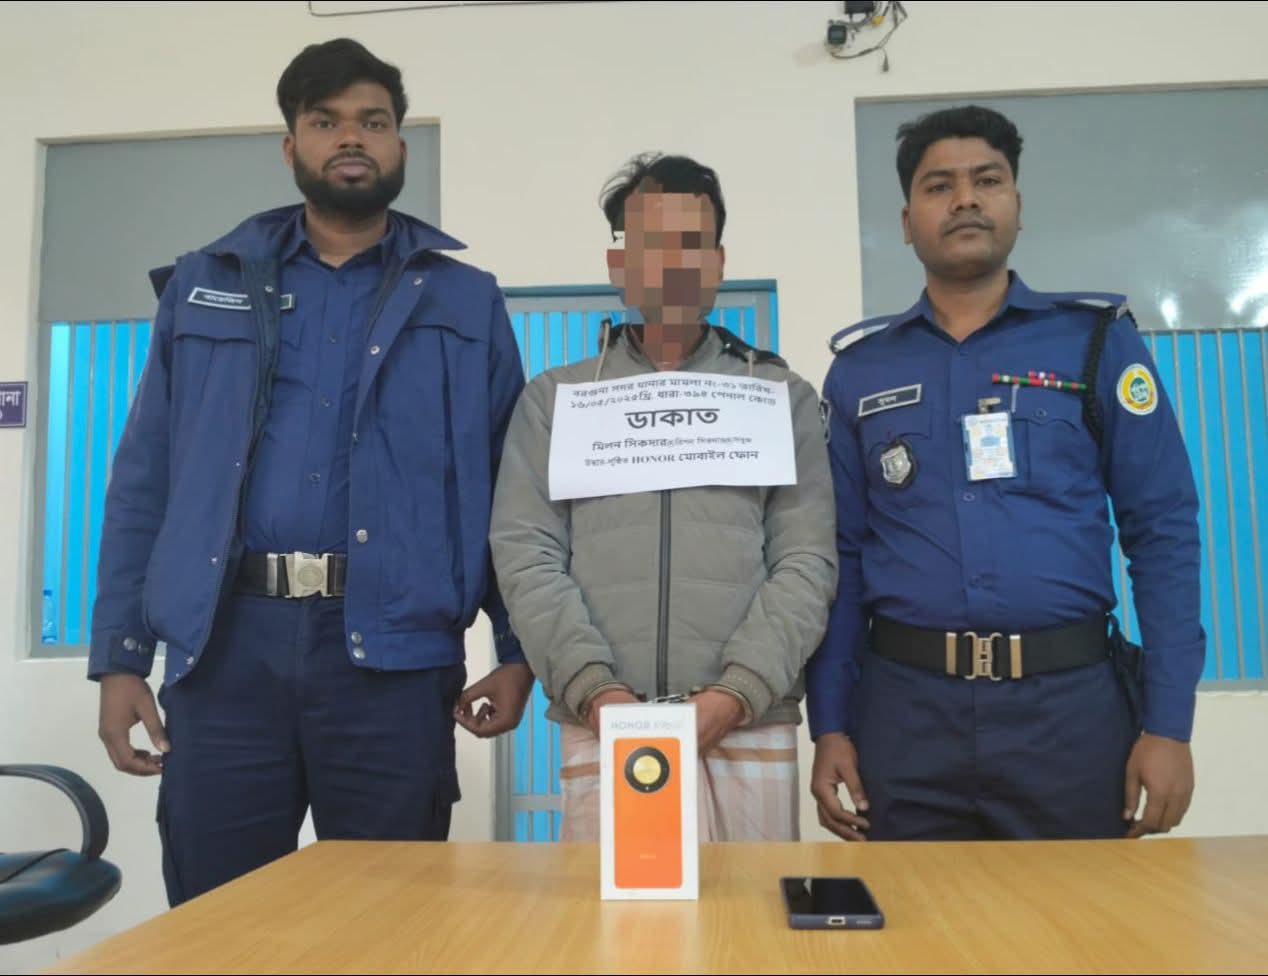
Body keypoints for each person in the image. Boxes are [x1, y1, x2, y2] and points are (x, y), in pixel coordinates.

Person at [89, 38, 533, 905]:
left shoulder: (466, 299)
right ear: (292, 146)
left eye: (374, 121)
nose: (352, 137)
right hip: (226, 652)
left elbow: (507, 487)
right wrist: (120, 658)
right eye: (326, 122)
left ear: (401, 147)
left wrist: (518, 652)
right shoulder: (202, 285)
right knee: (221, 926)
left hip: (394, 660)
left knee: (387, 925)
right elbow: (146, 479)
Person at [807, 105, 1203, 842]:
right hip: (905, 720)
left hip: (1070, 718)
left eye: (986, 181)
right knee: (911, 916)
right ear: (907, 222)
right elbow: (842, 558)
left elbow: (1163, 532)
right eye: (939, 186)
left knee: (1075, 915)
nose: (965, 199)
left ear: (1017, 204)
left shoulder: (1095, 344)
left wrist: (1169, 723)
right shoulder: (861, 372)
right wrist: (829, 723)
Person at [490, 152, 838, 842]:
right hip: (604, 723)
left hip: (749, 722)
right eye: (653, 245)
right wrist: (597, 691)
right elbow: (527, 556)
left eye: (692, 244)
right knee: (615, 913)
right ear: (619, 265)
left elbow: (807, 560)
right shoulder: (556, 401)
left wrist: (737, 692)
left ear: (718, 263)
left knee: (749, 912)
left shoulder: (778, 397)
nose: (674, 263)